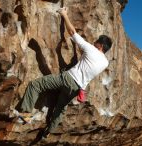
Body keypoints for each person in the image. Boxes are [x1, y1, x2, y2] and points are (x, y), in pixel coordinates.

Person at [15, 7, 112, 139]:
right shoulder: (105, 63)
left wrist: (64, 14)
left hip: (68, 79)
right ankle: (48, 132)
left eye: (96, 42)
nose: (93, 42)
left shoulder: (91, 49)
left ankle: (25, 115)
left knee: (35, 85)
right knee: (60, 109)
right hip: (76, 89)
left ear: (100, 45)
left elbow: (72, 32)